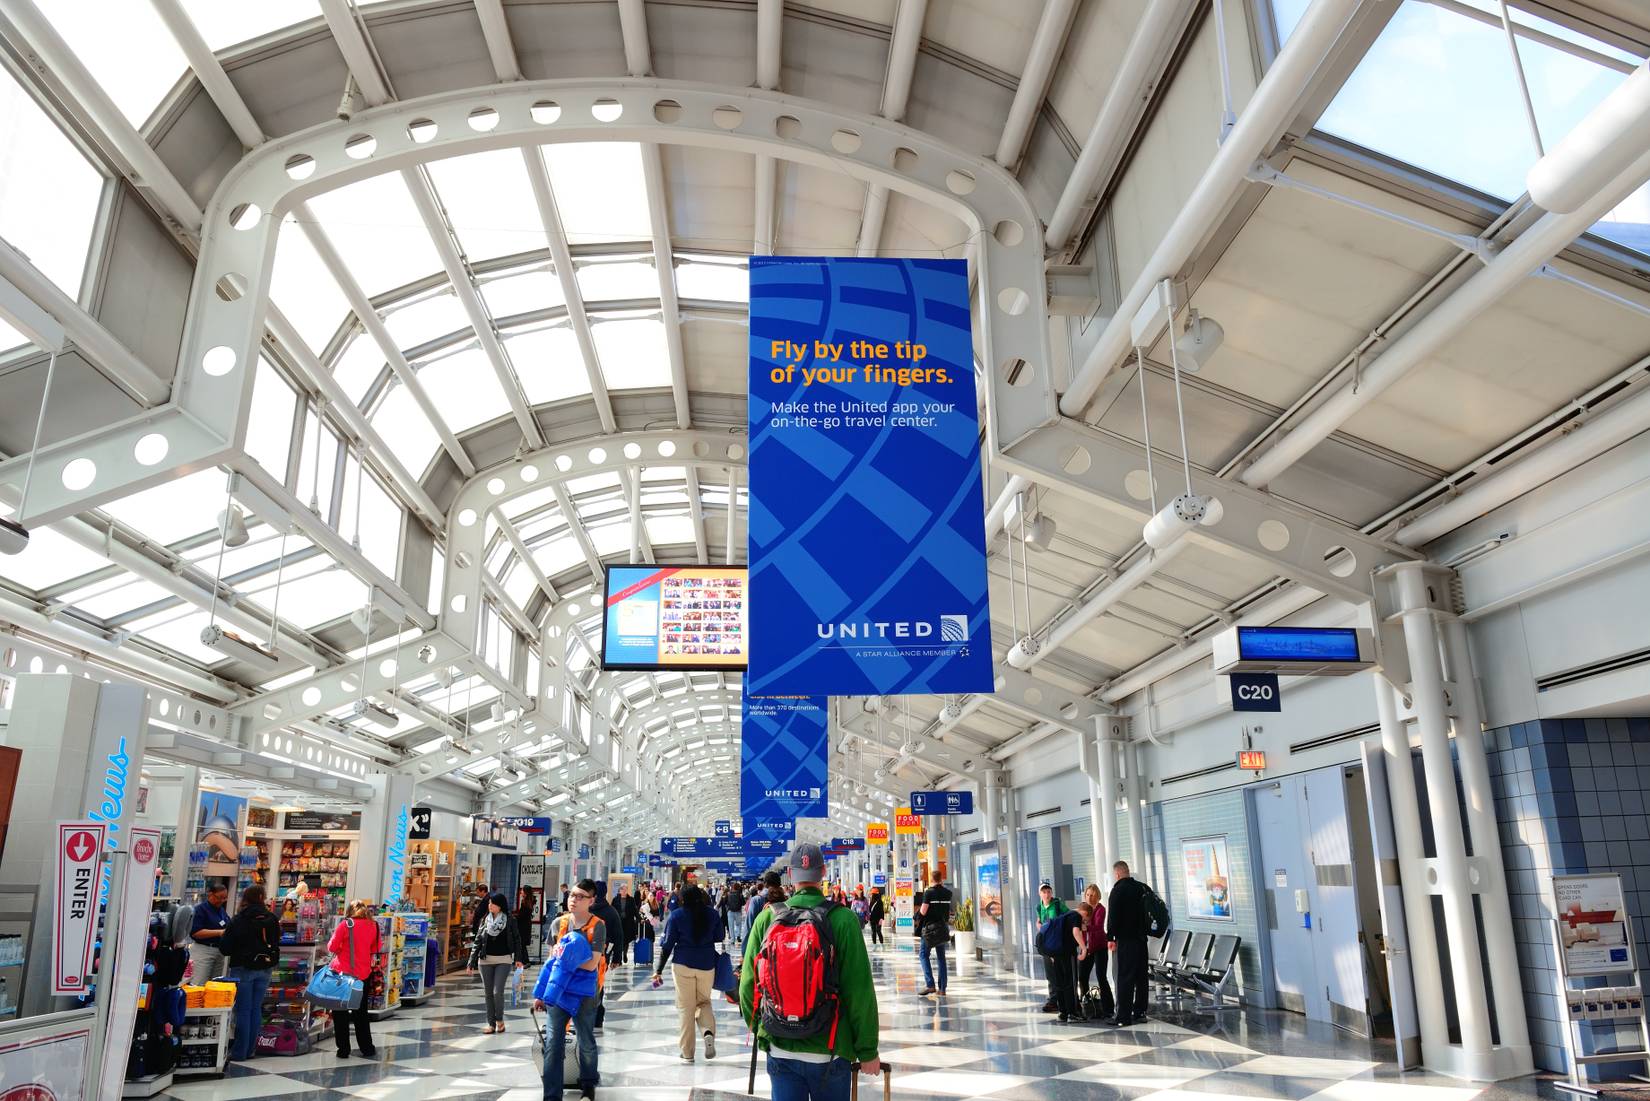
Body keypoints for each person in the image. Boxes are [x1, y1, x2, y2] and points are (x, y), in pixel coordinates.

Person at [741, 844, 880, 1101]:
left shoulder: (767, 919)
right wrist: (867, 1049)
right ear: (823, 872)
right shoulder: (844, 920)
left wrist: (765, 1030)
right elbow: (859, 990)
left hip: (781, 1048)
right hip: (830, 1049)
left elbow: (748, 985)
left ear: (791, 875)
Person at [534, 879, 605, 1101]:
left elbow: (592, 963)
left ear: (591, 901)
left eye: (580, 896)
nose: (573, 899)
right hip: (559, 993)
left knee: (585, 1041)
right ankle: (552, 1095)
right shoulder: (558, 924)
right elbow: (550, 963)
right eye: (572, 895)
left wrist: (563, 956)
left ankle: (588, 1083)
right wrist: (542, 994)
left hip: (585, 993)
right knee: (553, 1044)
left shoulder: (597, 926)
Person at [652, 884, 725, 1062]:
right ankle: (708, 1032)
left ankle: (687, 1052)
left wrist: (659, 969)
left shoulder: (677, 915)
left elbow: (668, 944)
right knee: (704, 1002)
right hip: (707, 963)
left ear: (682, 898)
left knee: (686, 1008)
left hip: (683, 964)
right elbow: (720, 936)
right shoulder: (712, 914)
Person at [221, 885, 280, 1060]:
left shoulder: (239, 919)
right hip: (265, 967)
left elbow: (225, 948)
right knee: (255, 1009)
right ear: (262, 897)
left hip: (243, 967)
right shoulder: (271, 918)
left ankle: (239, 1052)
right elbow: (276, 941)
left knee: (243, 1010)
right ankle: (250, 1050)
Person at [327, 900, 382, 1058]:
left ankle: (343, 1049)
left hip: (342, 973)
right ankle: (367, 1048)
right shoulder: (374, 925)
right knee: (361, 1012)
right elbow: (376, 948)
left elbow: (332, 947)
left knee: (340, 1012)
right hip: (363, 973)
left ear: (350, 910)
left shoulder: (346, 924)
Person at [468, 892, 526, 1034]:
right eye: (489, 903)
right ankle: (491, 1024)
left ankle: (499, 1019)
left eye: (492, 903)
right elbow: (477, 941)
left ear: (500, 906)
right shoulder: (485, 920)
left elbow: (517, 939)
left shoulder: (510, 920)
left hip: (503, 960)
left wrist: (518, 958)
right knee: (488, 993)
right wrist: (471, 961)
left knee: (497, 992)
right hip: (485, 960)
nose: (490, 906)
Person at [1106, 861, 1152, 1027]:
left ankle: (1123, 1016)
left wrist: (1110, 938)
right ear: (1128, 871)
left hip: (1125, 941)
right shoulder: (1142, 888)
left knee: (1124, 977)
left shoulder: (1117, 890)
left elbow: (1113, 917)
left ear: (1117, 874)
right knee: (1141, 977)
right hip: (1141, 940)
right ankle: (1140, 1012)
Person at [1041, 901, 1088, 1023]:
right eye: (1086, 919)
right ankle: (1073, 1013)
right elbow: (1075, 932)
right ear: (1085, 914)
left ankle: (1063, 1013)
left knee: (1060, 983)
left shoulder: (1064, 916)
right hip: (1067, 954)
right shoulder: (1076, 916)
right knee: (1070, 983)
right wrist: (1083, 948)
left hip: (1056, 954)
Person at [589, 882, 622, 1032]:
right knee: (598, 984)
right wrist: (616, 958)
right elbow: (618, 936)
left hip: (582, 953)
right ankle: (597, 1017)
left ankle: (583, 1016)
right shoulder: (611, 911)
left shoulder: (587, 909)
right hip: (602, 955)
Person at [1078, 883, 1113, 1017]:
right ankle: (1086, 1003)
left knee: (1101, 976)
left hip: (1099, 947)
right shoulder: (1082, 907)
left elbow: (1098, 927)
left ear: (1097, 896)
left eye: (1092, 895)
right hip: (1086, 947)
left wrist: (1085, 927)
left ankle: (1108, 1007)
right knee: (1082, 976)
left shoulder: (1100, 909)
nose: (1090, 897)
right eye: (1087, 894)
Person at [916, 877, 953, 997]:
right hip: (943, 929)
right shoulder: (948, 893)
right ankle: (942, 989)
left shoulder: (929, 892)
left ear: (931, 879)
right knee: (941, 957)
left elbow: (923, 911)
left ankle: (930, 985)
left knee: (923, 955)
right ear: (941, 879)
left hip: (930, 930)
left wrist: (916, 917)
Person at [1035, 883, 1068, 1012]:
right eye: (1044, 892)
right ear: (1040, 894)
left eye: (1048, 891)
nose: (1047, 894)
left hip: (1058, 943)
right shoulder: (1039, 907)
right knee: (1050, 973)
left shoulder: (1058, 904)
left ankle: (1063, 999)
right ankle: (1053, 999)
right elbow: (1040, 920)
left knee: (1061, 971)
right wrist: (1039, 925)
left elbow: (1069, 915)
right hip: (1046, 944)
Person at [188, 881, 231, 982]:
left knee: (214, 985)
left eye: (225, 898)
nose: (222, 900)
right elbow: (195, 933)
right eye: (220, 897)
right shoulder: (200, 910)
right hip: (203, 951)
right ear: (210, 894)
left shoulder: (221, 910)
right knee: (199, 983)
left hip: (219, 952)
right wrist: (219, 932)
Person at [616, 886, 639, 964]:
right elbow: (613, 911)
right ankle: (618, 958)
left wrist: (639, 919)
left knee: (626, 940)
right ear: (620, 890)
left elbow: (635, 910)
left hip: (628, 923)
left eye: (626, 890)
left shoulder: (631, 899)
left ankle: (624, 954)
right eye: (623, 890)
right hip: (618, 923)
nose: (625, 891)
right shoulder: (615, 900)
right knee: (619, 940)